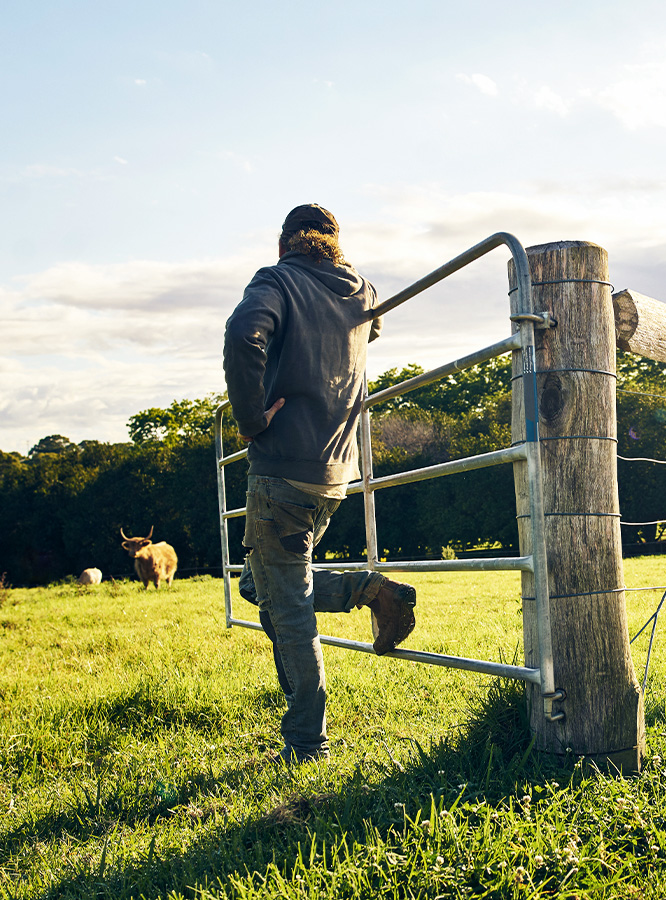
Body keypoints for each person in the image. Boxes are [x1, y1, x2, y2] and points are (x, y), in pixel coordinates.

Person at [223, 203, 416, 763]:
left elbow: (243, 334)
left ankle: (306, 744)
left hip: (282, 467)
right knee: (263, 588)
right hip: (335, 472)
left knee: (287, 608)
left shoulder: (276, 279)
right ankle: (372, 592)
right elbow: (372, 327)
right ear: (334, 243)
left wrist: (253, 418)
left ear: (284, 244)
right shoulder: (361, 288)